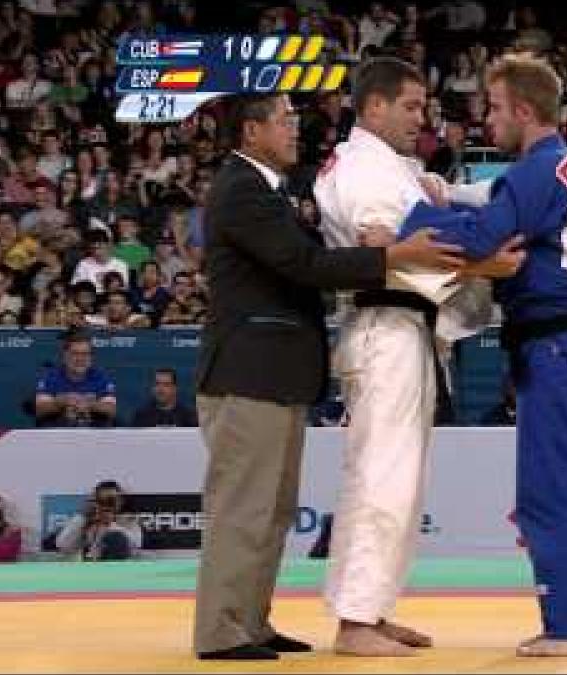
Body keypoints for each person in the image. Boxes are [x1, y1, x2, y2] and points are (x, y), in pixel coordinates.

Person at [191, 92, 461, 662]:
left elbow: (303, 259)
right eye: (284, 120)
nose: (295, 129)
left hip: (275, 373)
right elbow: (305, 266)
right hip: (248, 372)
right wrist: (392, 256)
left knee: (272, 508)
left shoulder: (270, 190)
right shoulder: (241, 189)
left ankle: (251, 621)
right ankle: (221, 631)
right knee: (245, 507)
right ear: (249, 131)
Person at [400, 54, 567, 657]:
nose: (487, 120)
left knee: (552, 495)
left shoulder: (531, 175)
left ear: (525, 110)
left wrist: (406, 218)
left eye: (494, 109)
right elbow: (503, 217)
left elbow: (474, 238)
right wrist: (455, 198)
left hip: (556, 347)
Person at [312, 56, 524, 657]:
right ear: (373, 106)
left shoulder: (391, 167)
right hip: (385, 327)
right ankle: (355, 621)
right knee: (382, 475)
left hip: (408, 329)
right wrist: (487, 266)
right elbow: (382, 245)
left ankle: (372, 611)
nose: (421, 118)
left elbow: (423, 219)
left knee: (400, 479)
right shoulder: (361, 168)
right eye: (409, 107)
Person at [33, 331, 117, 427]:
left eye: (85, 354)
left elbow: (111, 410)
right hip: (57, 435)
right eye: (75, 353)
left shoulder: (100, 377)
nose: (80, 359)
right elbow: (40, 409)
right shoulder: (51, 376)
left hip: (93, 435)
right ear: (65, 356)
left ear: (91, 357)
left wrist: (91, 404)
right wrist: (62, 401)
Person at [54, 480, 143, 561]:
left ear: (120, 501)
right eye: (102, 500)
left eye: (111, 500)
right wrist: (83, 518)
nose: (107, 504)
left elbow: (136, 545)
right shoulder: (86, 520)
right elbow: (62, 545)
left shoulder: (127, 519)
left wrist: (111, 524)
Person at [130, 368, 197, 427]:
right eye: (157, 384)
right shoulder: (141, 417)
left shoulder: (188, 418)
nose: (160, 389)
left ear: (175, 388)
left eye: (166, 385)